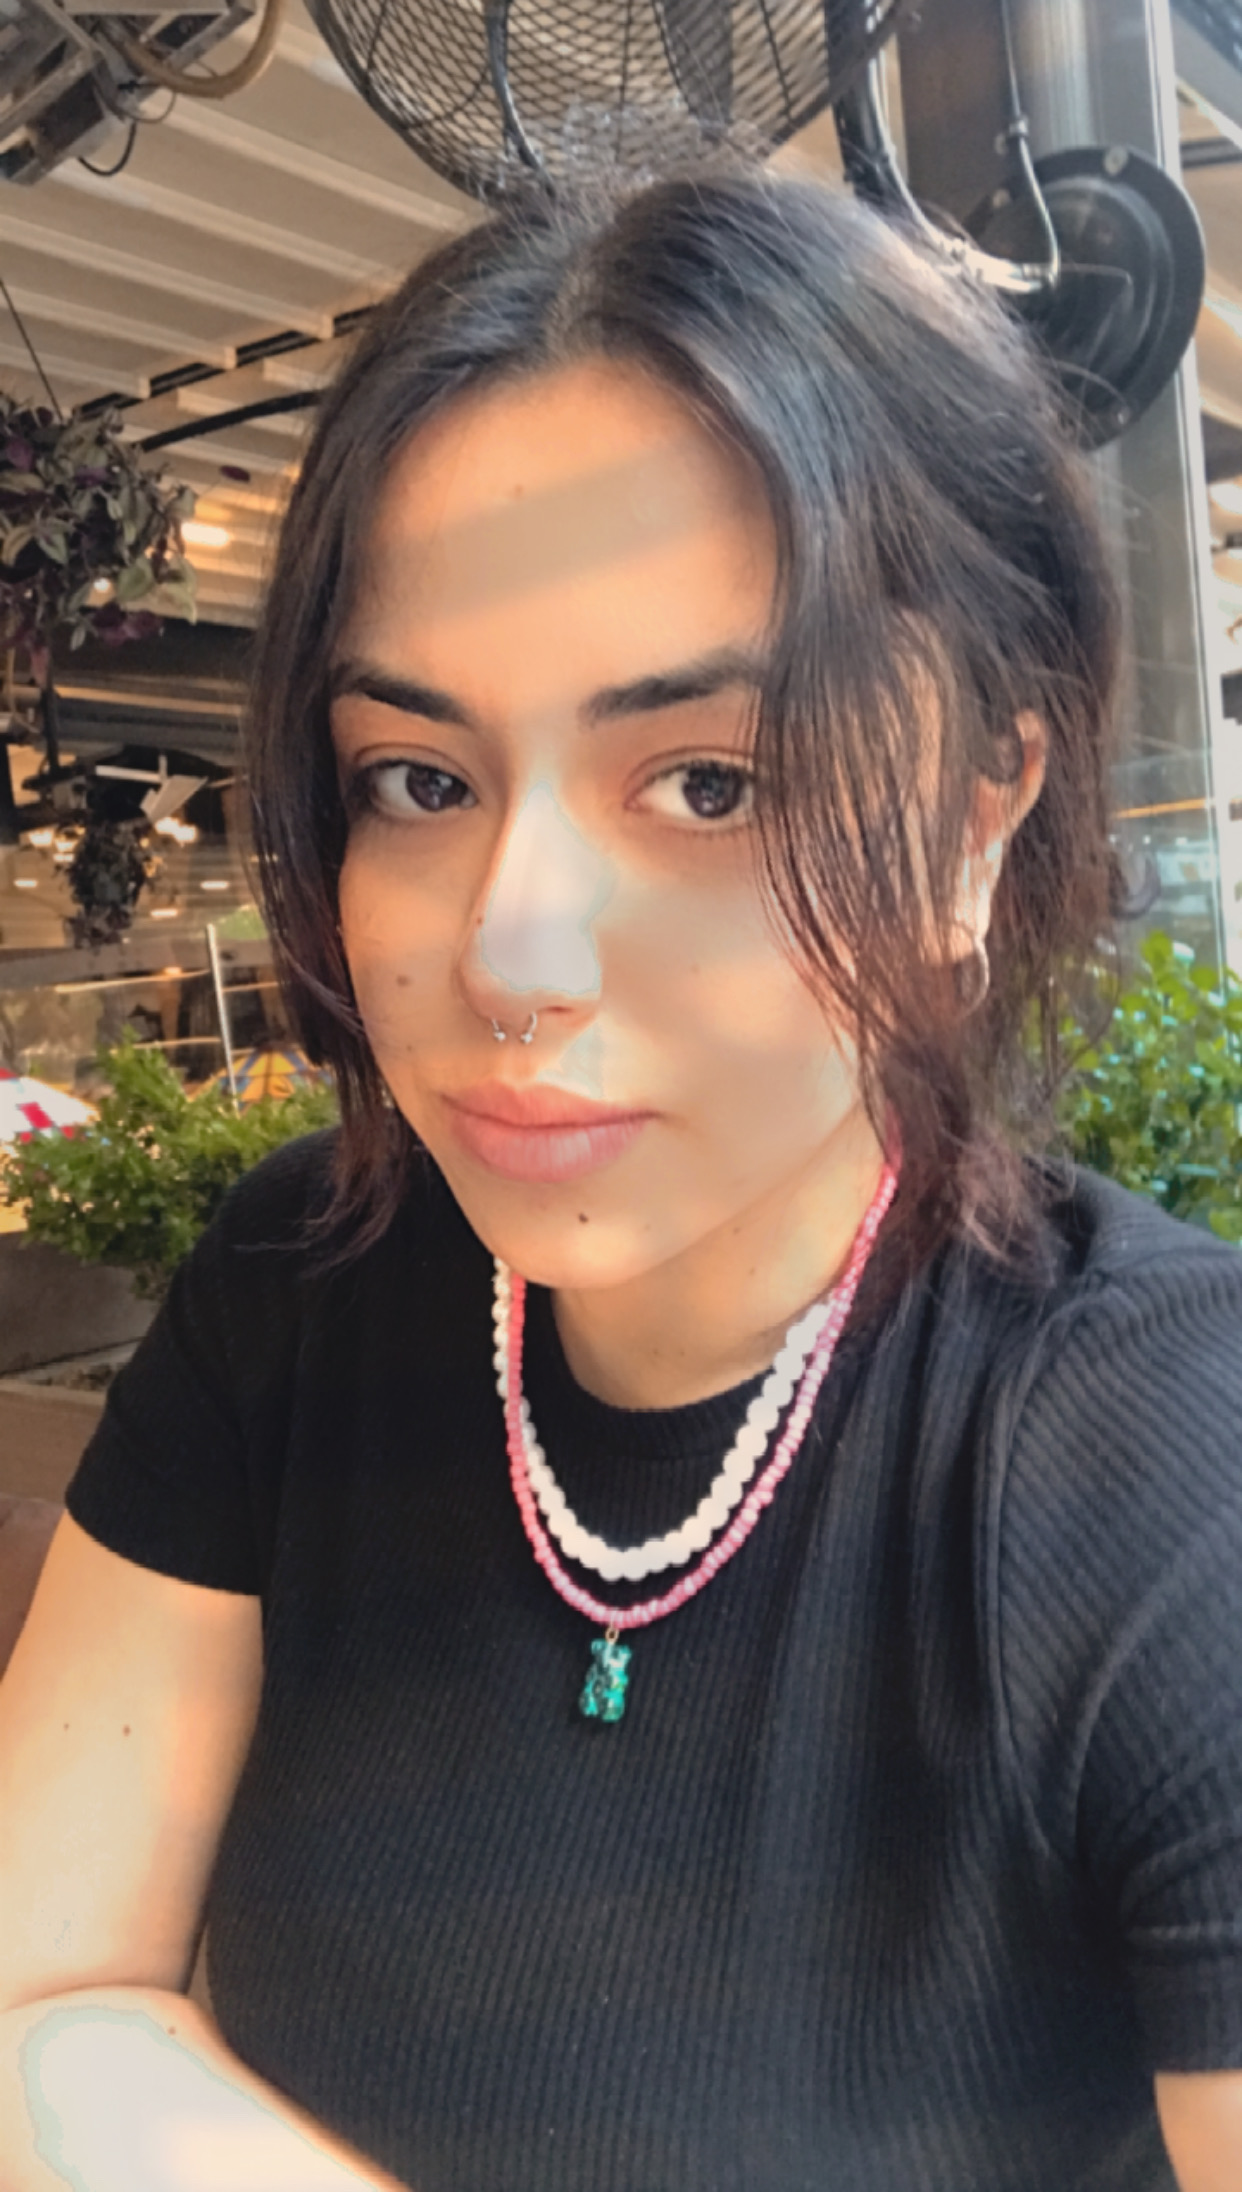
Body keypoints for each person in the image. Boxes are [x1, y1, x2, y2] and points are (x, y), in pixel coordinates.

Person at [2, 162, 1241, 2192]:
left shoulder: (1177, 1465)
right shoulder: (298, 1286)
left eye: (707, 782)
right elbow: (40, 1994)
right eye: (420, 779)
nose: (511, 952)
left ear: (979, 809)